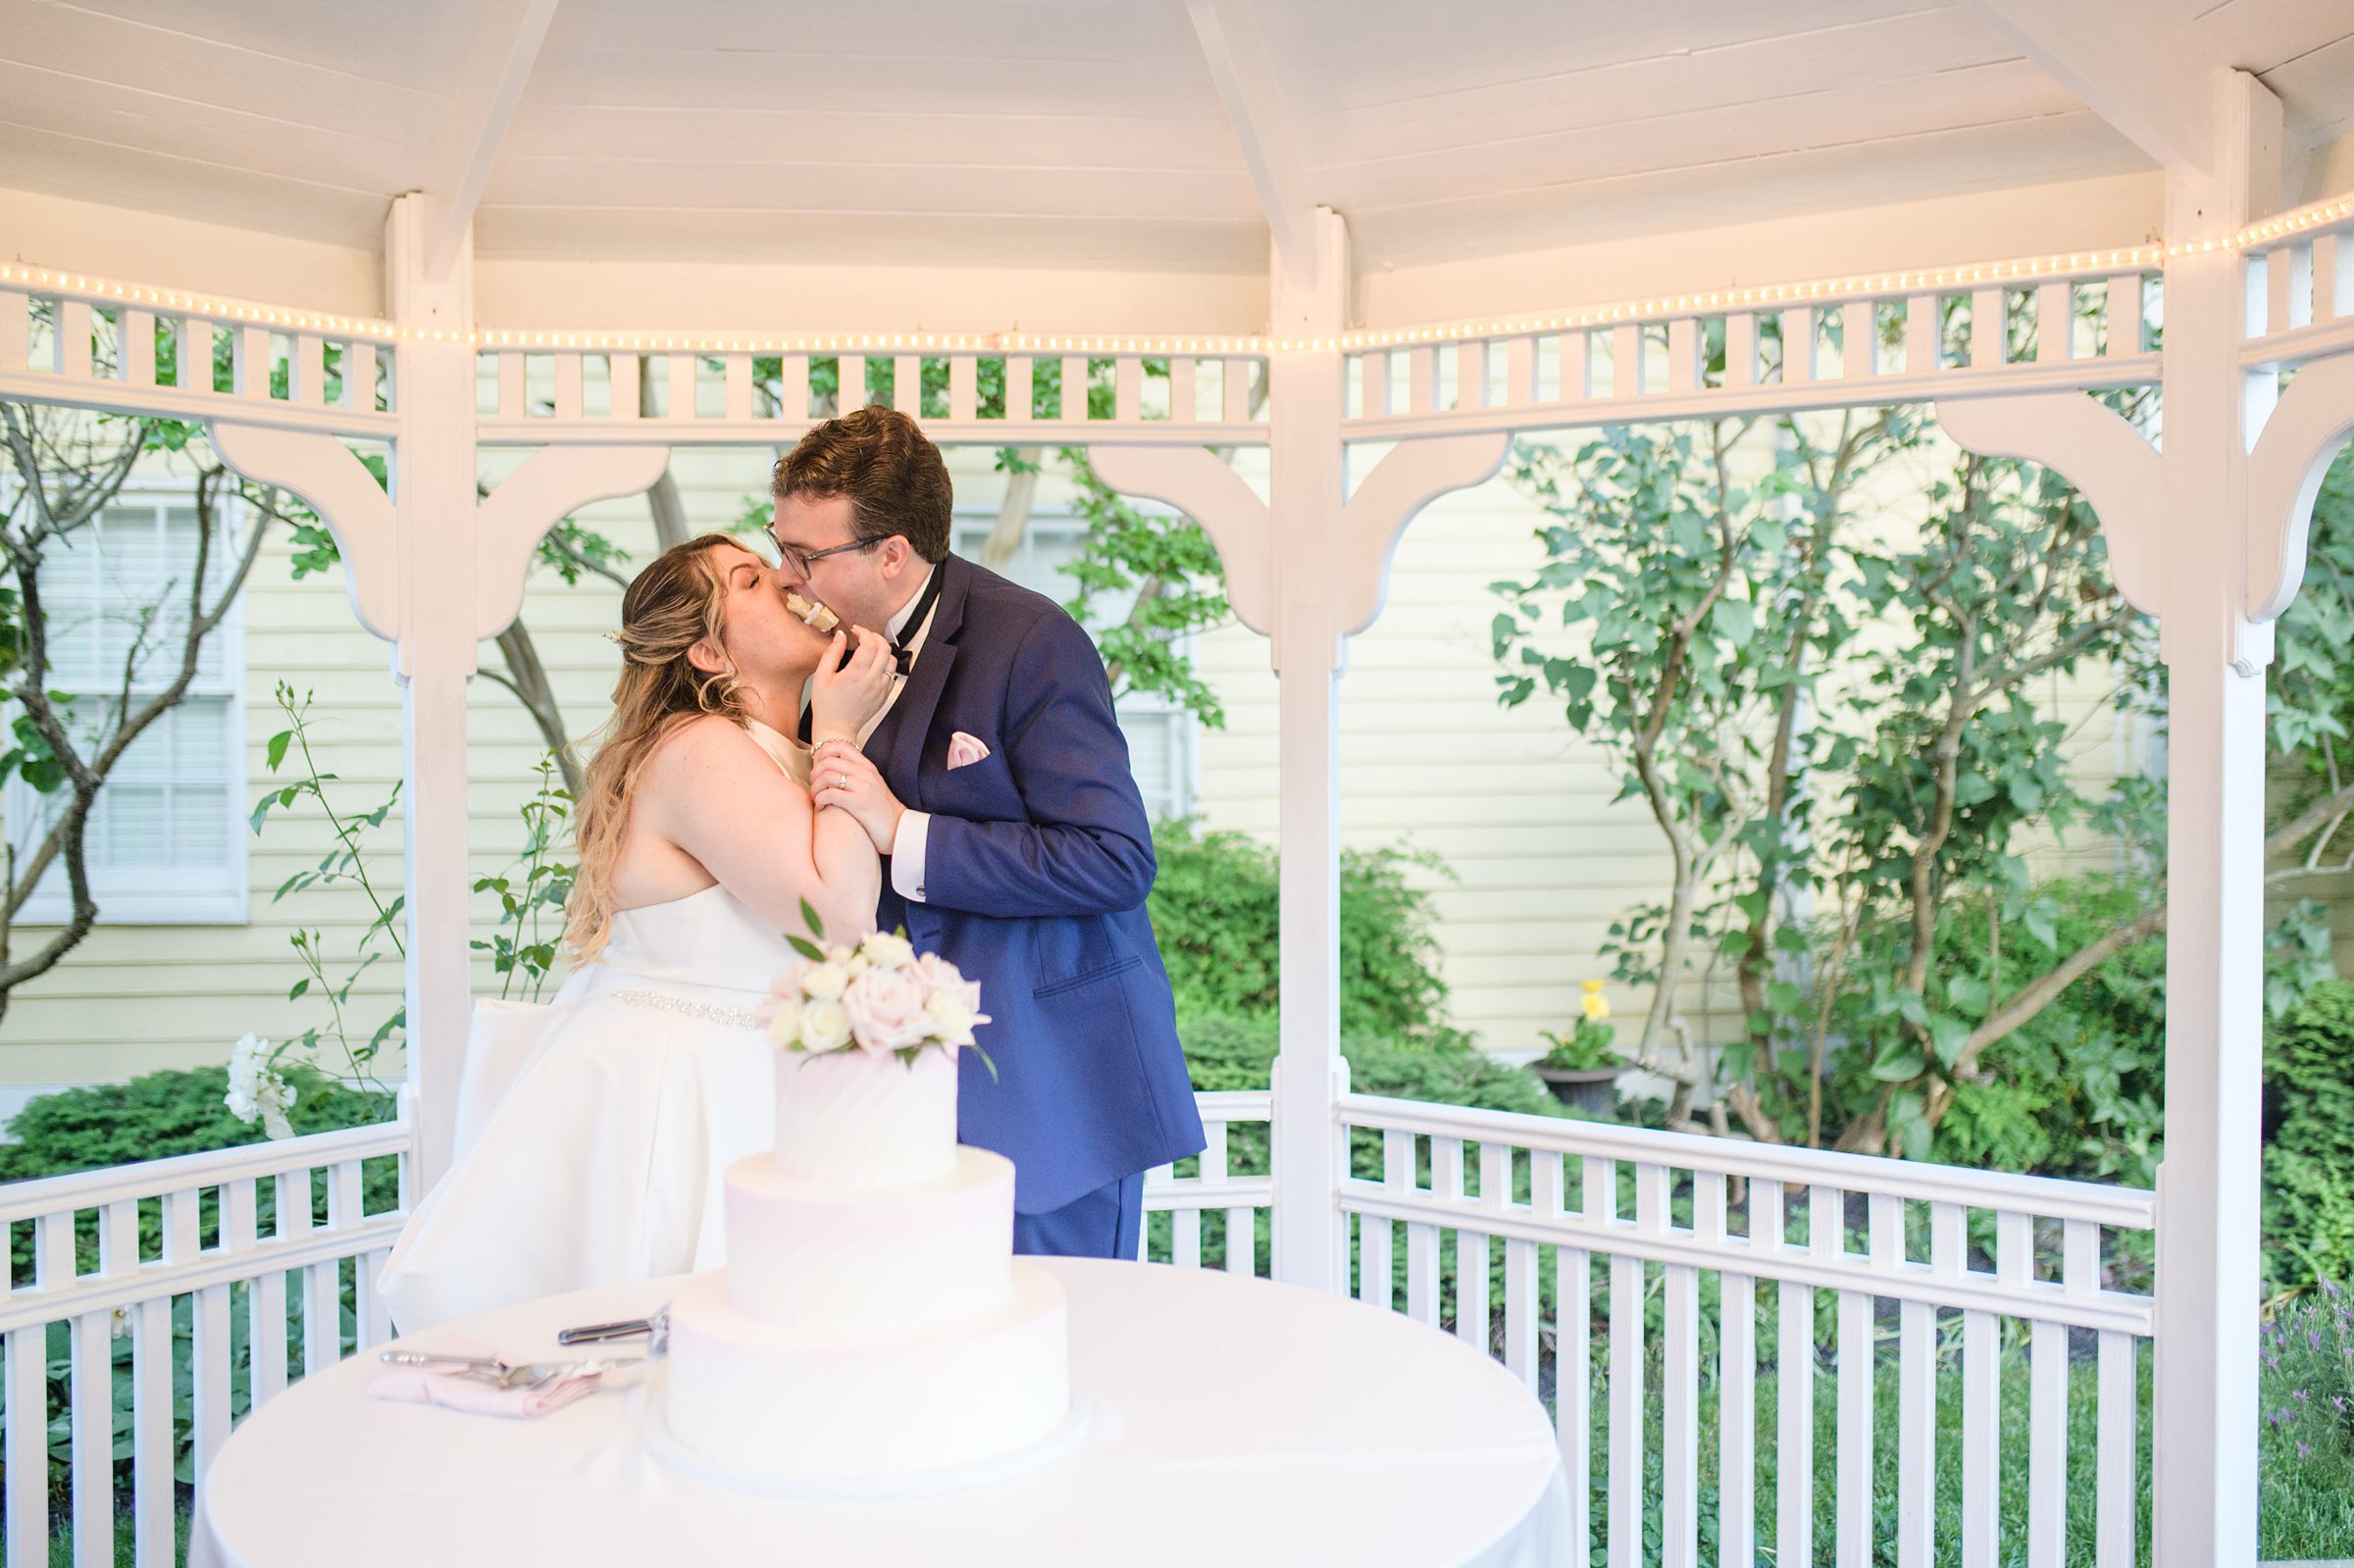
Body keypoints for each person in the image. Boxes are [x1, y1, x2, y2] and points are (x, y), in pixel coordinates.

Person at [376, 533, 894, 1333]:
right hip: (680, 1096)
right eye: (754, 581)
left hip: (754, 1075)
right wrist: (843, 734)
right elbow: (840, 918)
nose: (791, 583)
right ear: (709, 653)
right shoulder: (701, 748)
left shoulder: (767, 752)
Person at [773, 406, 1205, 1259]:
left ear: (890, 552)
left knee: (1074, 1337)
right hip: (900, 1092)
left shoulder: (1033, 642)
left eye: (806, 557)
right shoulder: (827, 666)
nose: (787, 578)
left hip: (1054, 1087)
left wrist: (905, 831)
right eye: (778, 547)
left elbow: (1115, 859)